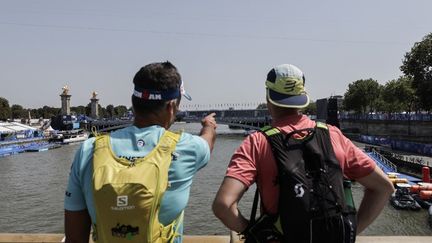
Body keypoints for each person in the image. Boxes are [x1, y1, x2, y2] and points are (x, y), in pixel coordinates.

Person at [212, 64, 394, 242]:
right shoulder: (332, 134)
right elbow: (384, 187)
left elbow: (223, 206)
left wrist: (254, 232)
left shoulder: (257, 142)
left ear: (268, 97)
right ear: (302, 96)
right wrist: (350, 230)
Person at [64, 61, 217, 243]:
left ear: (133, 102)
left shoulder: (89, 150)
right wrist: (208, 125)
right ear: (171, 108)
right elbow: (207, 142)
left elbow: (74, 236)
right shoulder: (187, 147)